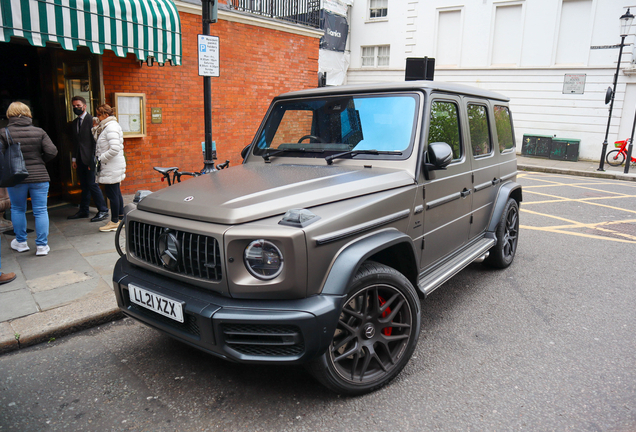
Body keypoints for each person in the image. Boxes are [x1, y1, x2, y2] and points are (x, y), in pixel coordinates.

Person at [0, 102, 58, 257]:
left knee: (18, 209)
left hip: (16, 178)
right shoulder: (39, 131)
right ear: (28, 114)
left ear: (10, 114)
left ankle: (21, 242)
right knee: (40, 210)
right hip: (39, 176)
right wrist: (40, 161)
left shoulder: (4, 133)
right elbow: (52, 151)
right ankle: (42, 246)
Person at [68, 96, 109, 222]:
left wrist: (93, 160)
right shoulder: (75, 123)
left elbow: (95, 142)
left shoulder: (92, 120)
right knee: (84, 185)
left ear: (84, 106)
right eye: (74, 106)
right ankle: (84, 210)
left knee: (92, 184)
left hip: (90, 159)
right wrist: (74, 159)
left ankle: (103, 210)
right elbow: (75, 142)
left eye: (78, 106)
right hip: (80, 159)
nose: (76, 108)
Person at [93, 104, 126, 232]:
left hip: (111, 165)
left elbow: (115, 148)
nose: (97, 117)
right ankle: (120, 218)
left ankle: (114, 221)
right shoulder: (107, 126)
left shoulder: (110, 127)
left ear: (106, 115)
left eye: (99, 115)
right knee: (116, 192)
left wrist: (101, 159)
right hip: (112, 165)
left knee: (112, 194)